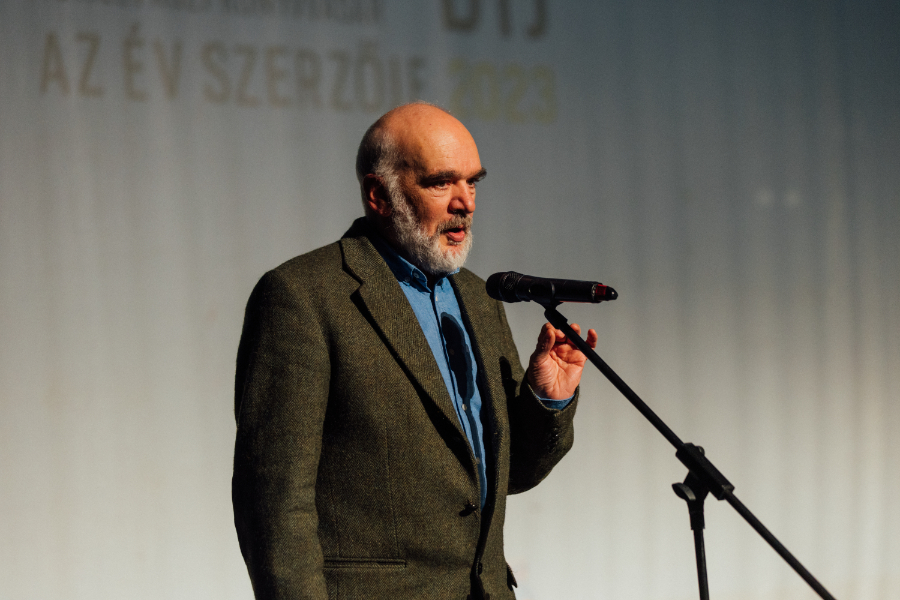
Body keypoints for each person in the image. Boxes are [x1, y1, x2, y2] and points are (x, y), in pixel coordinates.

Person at [232, 102, 597, 600]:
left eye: (473, 182)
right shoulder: (304, 296)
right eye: (441, 183)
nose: (465, 202)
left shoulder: (479, 298)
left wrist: (546, 398)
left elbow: (509, 475)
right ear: (379, 194)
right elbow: (273, 504)